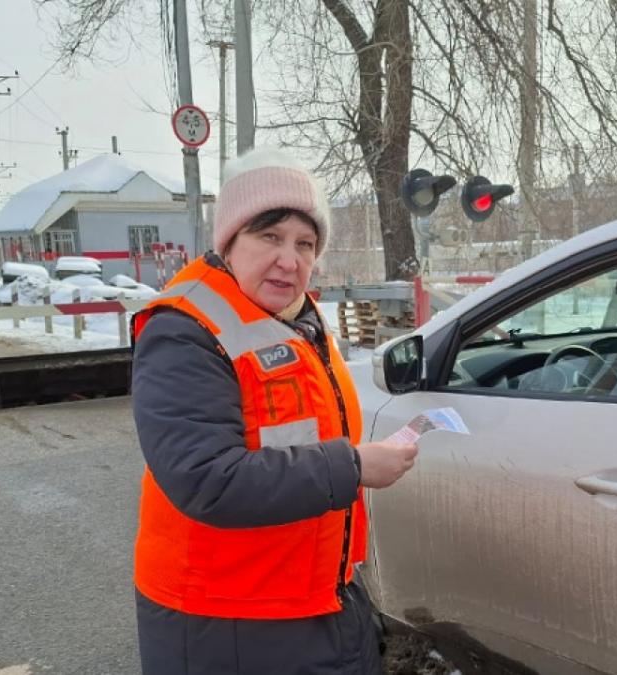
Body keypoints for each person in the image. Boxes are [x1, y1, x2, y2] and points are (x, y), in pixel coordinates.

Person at [129, 146, 419, 674]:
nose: (290, 260)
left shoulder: (296, 320)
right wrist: (355, 467)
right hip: (225, 621)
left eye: (305, 243)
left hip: (312, 601)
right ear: (230, 242)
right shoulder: (184, 331)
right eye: (270, 237)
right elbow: (205, 479)